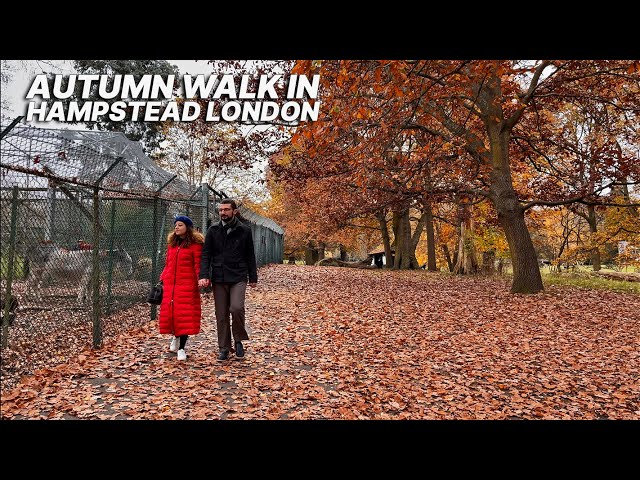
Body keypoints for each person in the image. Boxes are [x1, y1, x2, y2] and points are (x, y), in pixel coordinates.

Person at [198, 199, 257, 361]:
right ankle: (224, 347)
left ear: (234, 211)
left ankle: (238, 340)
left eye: (226, 210)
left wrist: (253, 277)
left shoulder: (244, 230)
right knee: (221, 314)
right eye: (220, 210)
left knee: (237, 308)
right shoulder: (213, 230)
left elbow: (250, 255)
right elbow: (206, 255)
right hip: (219, 276)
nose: (223, 213)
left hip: (238, 275)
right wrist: (204, 275)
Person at [158, 215, 204, 361]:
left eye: (180, 225)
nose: (176, 227)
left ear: (187, 228)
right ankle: (175, 337)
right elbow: (168, 264)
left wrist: (200, 279)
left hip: (187, 285)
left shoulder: (195, 245)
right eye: (175, 225)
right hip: (170, 284)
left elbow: (198, 265)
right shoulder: (172, 245)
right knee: (172, 314)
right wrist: (162, 279)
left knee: (184, 316)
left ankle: (182, 348)